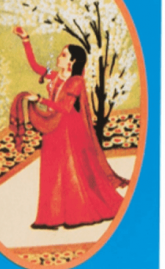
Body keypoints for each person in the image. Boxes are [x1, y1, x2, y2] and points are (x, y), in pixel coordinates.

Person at [9, 25, 128, 229]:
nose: (59, 57)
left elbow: (65, 108)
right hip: (53, 126)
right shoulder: (55, 76)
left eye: (64, 55)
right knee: (51, 170)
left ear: (72, 62)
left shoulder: (76, 82)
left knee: (71, 171)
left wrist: (39, 99)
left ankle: (76, 215)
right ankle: (50, 218)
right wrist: (25, 39)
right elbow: (36, 67)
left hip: (69, 130)